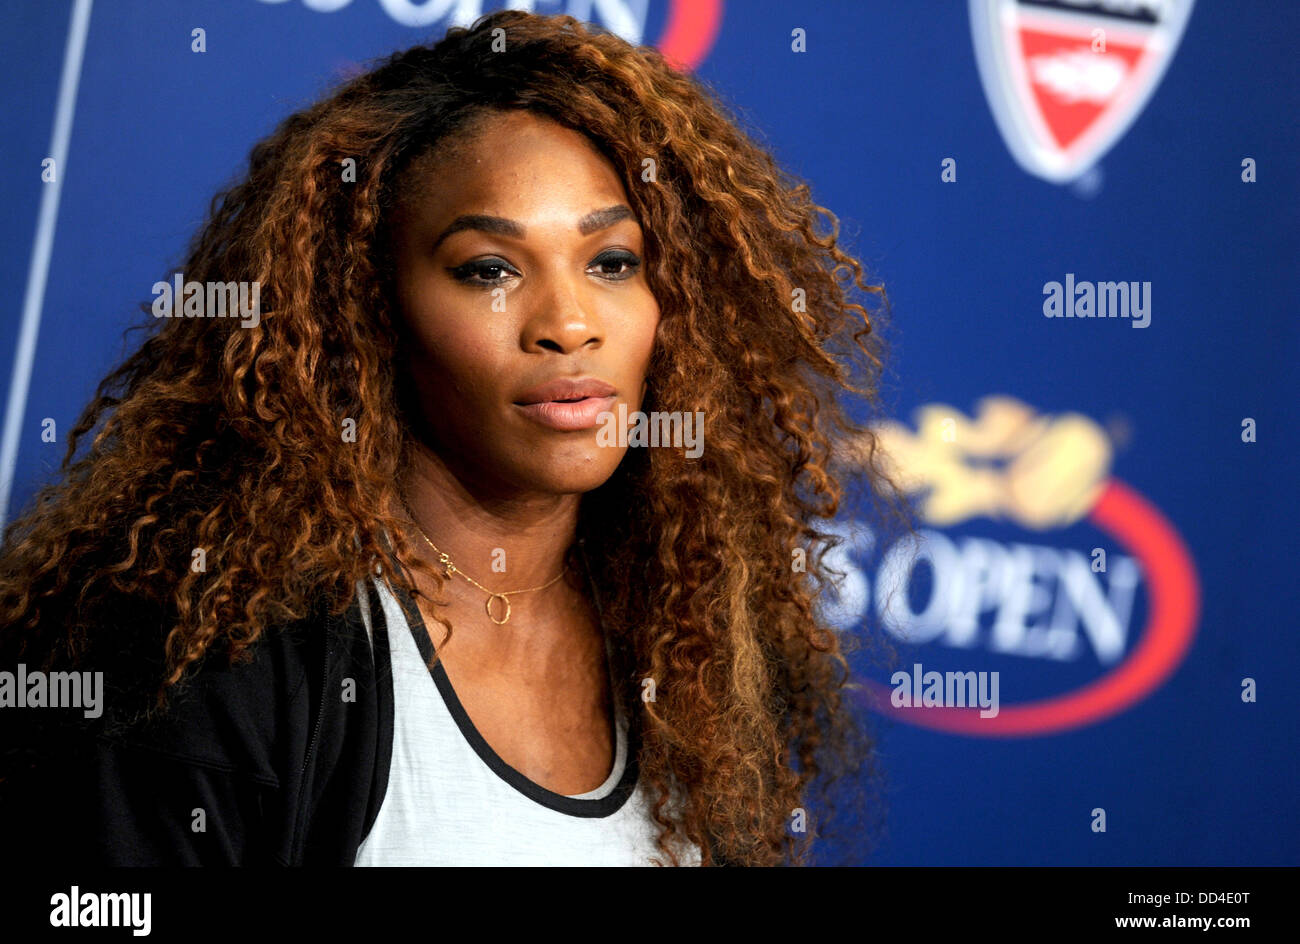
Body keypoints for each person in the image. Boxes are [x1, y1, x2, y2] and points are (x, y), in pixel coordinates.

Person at [0, 9, 909, 866]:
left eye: (612, 262)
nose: (568, 323)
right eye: (489, 270)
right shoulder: (207, 651)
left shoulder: (694, 648)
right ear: (368, 312)